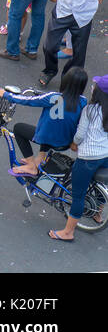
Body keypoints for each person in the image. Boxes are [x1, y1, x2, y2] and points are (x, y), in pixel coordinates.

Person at [0, 68, 88, 177]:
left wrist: (4, 94)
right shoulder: (83, 101)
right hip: (66, 143)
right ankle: (40, 159)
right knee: (53, 126)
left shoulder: (53, 97)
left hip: (49, 139)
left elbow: (27, 100)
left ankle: (31, 166)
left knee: (19, 128)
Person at [49, 74, 108, 242]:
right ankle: (97, 213)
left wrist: (74, 144)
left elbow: (80, 135)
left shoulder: (90, 110)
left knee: (78, 195)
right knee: (101, 184)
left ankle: (68, 232)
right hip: (106, 155)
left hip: (89, 158)